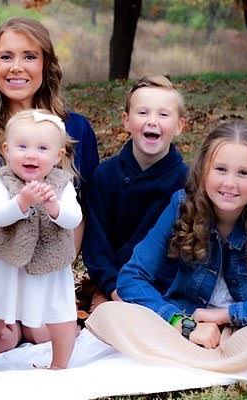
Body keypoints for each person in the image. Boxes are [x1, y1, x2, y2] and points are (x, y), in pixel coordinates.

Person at [85, 120, 247, 377]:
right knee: (111, 314)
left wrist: (229, 315)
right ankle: (235, 365)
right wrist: (184, 323)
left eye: (243, 173)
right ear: (203, 171)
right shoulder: (182, 206)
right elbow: (131, 277)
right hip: (187, 329)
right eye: (221, 169)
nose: (230, 183)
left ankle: (197, 363)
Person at [0, 16, 98, 349]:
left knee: (45, 334)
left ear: (46, 65)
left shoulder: (76, 130)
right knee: (1, 336)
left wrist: (58, 273)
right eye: (6, 56)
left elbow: (79, 212)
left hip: (46, 273)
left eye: (29, 56)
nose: (16, 67)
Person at [0, 110, 82, 372]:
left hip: (51, 263)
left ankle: (60, 364)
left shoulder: (62, 183)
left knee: (61, 315)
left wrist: (54, 207)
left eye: (42, 148)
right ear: (6, 149)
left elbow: (74, 218)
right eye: (22, 146)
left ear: (58, 156)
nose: (31, 154)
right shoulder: (2, 181)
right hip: (9, 262)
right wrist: (21, 202)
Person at [81, 75, 187, 310]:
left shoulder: (188, 183)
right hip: (114, 288)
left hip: (166, 294)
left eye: (163, 114)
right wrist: (111, 288)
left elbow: (188, 251)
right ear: (126, 121)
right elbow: (96, 245)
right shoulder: (105, 176)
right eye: (143, 113)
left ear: (179, 125)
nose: (152, 121)